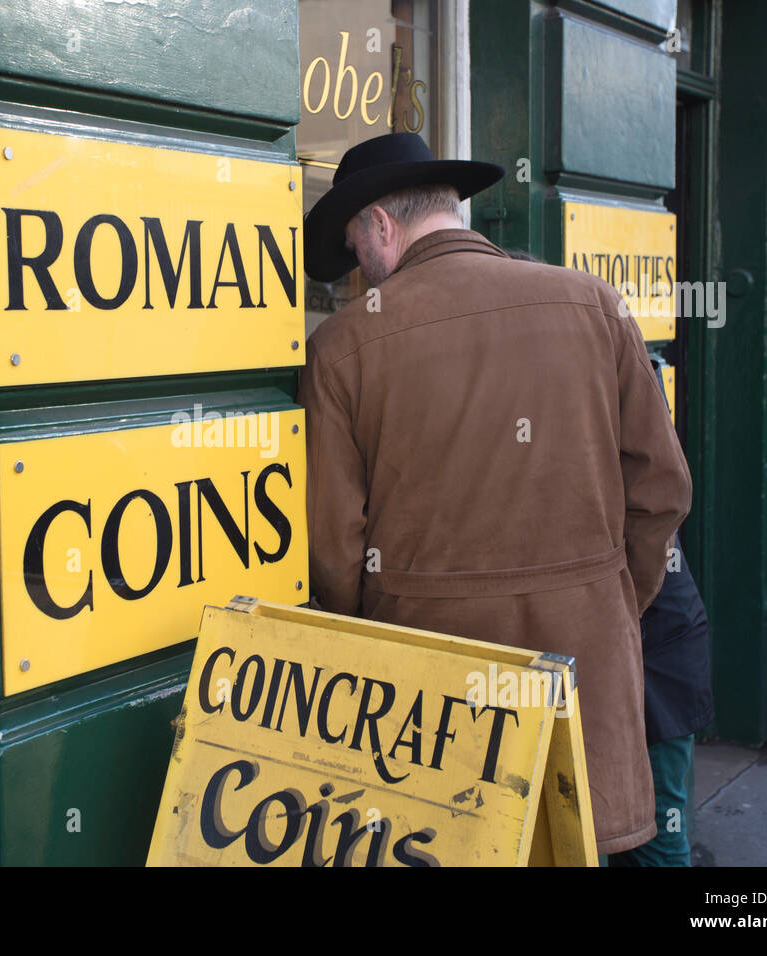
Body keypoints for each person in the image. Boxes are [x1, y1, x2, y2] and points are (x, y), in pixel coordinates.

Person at [298, 132, 693, 856]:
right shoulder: (593, 303)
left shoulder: (340, 348)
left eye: (357, 251)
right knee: (577, 846)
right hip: (584, 679)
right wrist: (600, 605)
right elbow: (662, 491)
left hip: (429, 697)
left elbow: (335, 555)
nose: (362, 276)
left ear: (382, 225)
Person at [504, 250, 716, 866]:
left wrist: (625, 603)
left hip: (656, 642)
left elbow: (658, 503)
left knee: (656, 833)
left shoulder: (608, 366)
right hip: (608, 643)